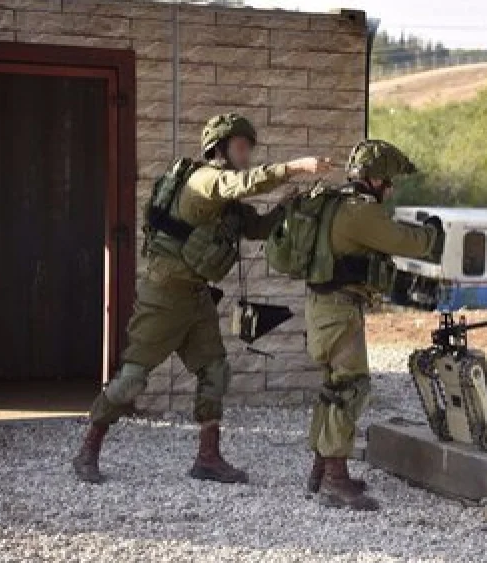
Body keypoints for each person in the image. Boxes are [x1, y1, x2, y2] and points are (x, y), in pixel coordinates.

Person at [72, 113, 332, 484]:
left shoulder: (227, 199)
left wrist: (289, 206)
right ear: (220, 149)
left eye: (248, 149)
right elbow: (241, 183)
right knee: (132, 379)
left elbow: (257, 227)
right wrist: (294, 167)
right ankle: (88, 451)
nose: (247, 156)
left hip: (197, 298)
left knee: (215, 372)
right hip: (163, 297)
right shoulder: (205, 181)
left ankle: (208, 458)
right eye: (241, 148)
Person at [304, 140, 443, 511]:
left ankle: (321, 470)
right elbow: (405, 241)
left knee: (333, 388)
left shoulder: (335, 202)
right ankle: (334, 479)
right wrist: (432, 234)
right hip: (339, 311)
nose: (392, 189)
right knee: (350, 388)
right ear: (376, 178)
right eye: (390, 181)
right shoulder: (359, 211)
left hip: (323, 308)